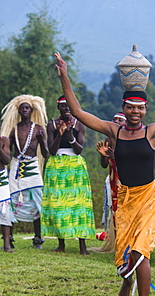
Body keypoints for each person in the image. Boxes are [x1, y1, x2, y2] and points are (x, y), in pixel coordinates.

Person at [54, 51, 155, 296]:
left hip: (149, 197)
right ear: (123, 108)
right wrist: (64, 75)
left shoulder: (153, 132)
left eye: (140, 108)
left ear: (145, 110)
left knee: (141, 250)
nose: (136, 112)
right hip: (126, 198)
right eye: (131, 107)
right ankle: (126, 281)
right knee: (125, 254)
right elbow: (78, 112)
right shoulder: (114, 131)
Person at [41, 95, 95, 254]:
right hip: (57, 165)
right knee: (58, 204)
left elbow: (79, 150)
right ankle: (61, 244)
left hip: (75, 166)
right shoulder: (51, 124)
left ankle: (82, 246)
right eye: (63, 106)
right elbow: (51, 151)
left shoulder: (80, 124)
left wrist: (70, 136)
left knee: (79, 205)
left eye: (69, 106)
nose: (67, 109)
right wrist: (59, 134)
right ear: (58, 108)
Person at [1, 95, 49, 249]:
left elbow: (47, 154)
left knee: (37, 201)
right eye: (22, 108)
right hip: (16, 167)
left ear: (31, 110)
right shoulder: (13, 130)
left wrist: (42, 141)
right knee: (11, 201)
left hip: (32, 167)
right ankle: (10, 237)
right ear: (19, 111)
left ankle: (37, 238)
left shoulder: (39, 129)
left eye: (27, 108)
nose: (25, 110)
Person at [95, 112, 126, 252]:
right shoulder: (109, 139)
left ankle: (129, 242)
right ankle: (118, 243)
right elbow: (104, 164)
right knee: (115, 209)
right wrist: (104, 156)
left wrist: (117, 157)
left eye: (120, 120)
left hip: (129, 178)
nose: (116, 122)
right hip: (114, 179)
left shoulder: (129, 137)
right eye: (114, 120)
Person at [0, 135, 16, 252]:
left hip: (1, 177)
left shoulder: (4, 140)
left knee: (5, 209)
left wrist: (0, 149)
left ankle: (6, 244)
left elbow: (6, 160)